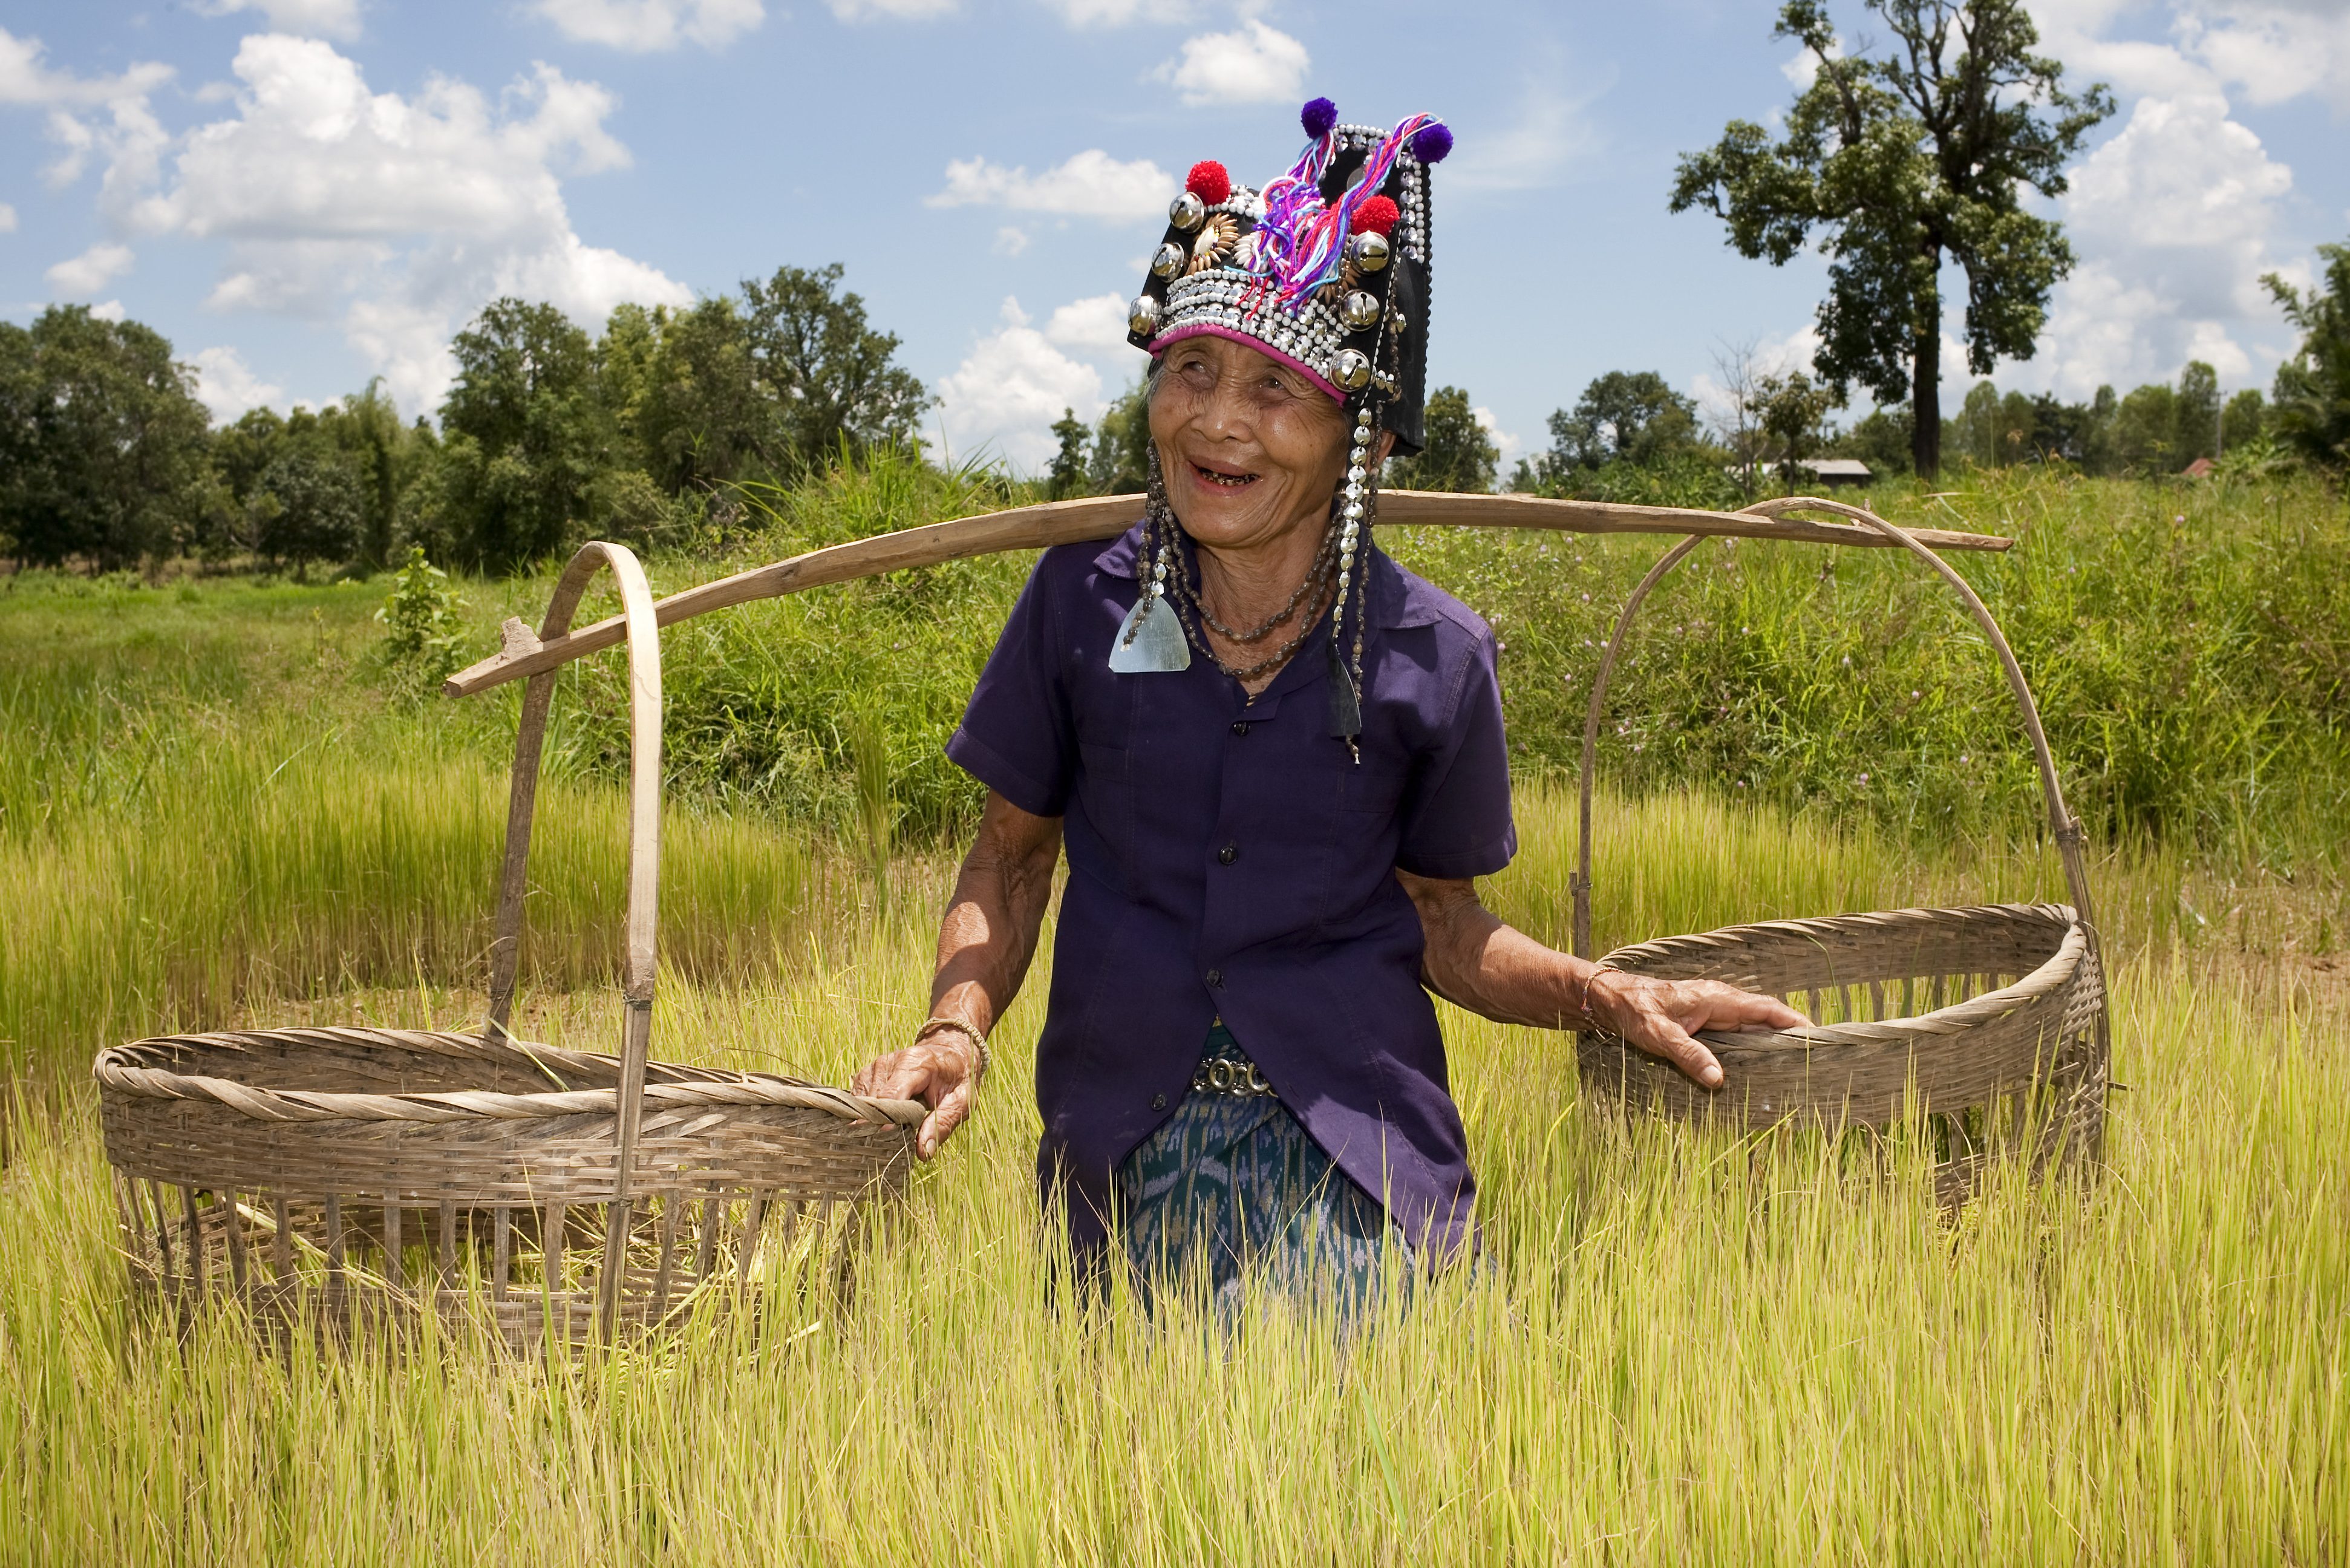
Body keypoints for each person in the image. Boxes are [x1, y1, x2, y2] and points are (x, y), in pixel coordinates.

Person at [853, 100, 1803, 1312]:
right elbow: (1008, 865)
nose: (1217, 420)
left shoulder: (1434, 654)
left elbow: (1446, 928)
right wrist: (954, 1028)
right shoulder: (1074, 605)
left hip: (1365, 1167)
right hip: (1119, 1161)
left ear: (1362, 436)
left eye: (1273, 388)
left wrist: (1601, 995)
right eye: (1189, 369)